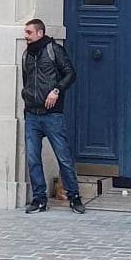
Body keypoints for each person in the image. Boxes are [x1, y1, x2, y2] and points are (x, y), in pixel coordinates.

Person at [20, 18, 84, 215]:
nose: (25, 36)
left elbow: (70, 73)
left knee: (63, 157)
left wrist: (56, 90)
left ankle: (74, 197)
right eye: (25, 32)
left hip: (52, 115)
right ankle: (39, 199)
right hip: (32, 114)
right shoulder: (26, 55)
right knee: (32, 158)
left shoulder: (53, 50)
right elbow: (27, 81)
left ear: (40, 33)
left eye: (29, 32)